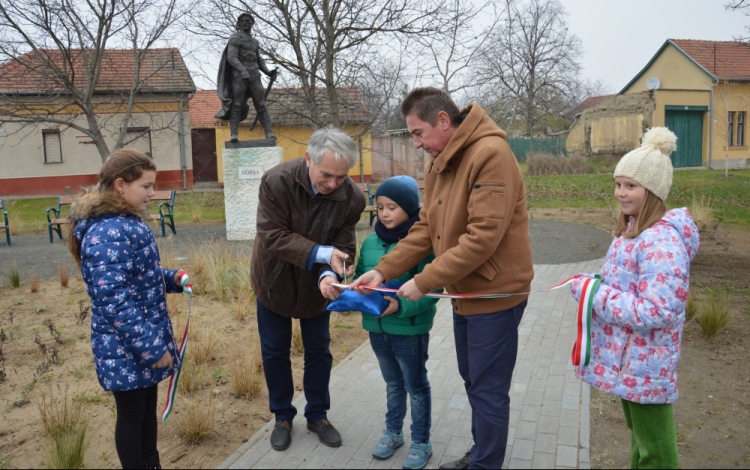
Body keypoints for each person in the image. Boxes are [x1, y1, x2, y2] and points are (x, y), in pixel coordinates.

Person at [352, 87, 534, 469]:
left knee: (487, 389)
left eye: (418, 133)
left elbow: (482, 238)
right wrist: (383, 269)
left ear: (443, 121)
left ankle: (486, 463)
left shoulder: (491, 155)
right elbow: (424, 230)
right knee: (474, 382)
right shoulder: (441, 161)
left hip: (494, 296)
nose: (416, 144)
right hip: (465, 292)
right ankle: (482, 453)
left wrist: (424, 281)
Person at [569, 127, 699, 469]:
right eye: (618, 184)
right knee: (641, 442)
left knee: (656, 452)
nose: (620, 193)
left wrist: (593, 294)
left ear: (653, 191)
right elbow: (628, 287)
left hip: (648, 366)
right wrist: (596, 283)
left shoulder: (660, 242)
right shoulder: (632, 231)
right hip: (632, 364)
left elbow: (656, 311)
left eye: (630, 186)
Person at [66, 149, 189, 469]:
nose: (152, 193)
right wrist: (149, 344)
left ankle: (152, 464)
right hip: (127, 347)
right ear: (120, 185)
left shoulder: (122, 224)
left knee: (146, 413)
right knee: (133, 418)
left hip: (138, 342)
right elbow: (114, 299)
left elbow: (139, 277)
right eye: (146, 186)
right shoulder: (108, 231)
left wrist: (172, 278)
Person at [250, 126, 366, 451]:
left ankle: (318, 415)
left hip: (316, 290)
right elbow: (272, 236)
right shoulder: (277, 181)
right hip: (274, 282)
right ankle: (282, 417)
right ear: (308, 160)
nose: (333, 185)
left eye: (341, 178)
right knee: (275, 352)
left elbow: (343, 247)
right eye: (327, 175)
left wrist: (330, 276)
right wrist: (323, 254)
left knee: (319, 351)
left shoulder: (352, 198)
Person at [351, 176, 439, 469]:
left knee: (416, 387)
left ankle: (421, 441)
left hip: (410, 331)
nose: (385, 213)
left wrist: (400, 305)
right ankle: (393, 432)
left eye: (393, 207)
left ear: (411, 209)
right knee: (392, 384)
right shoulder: (371, 242)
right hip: (377, 329)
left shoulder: (422, 244)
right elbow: (363, 275)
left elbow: (432, 289)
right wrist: (355, 289)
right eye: (381, 206)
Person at [215, 12, 278, 141]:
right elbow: (231, 57)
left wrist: (268, 72)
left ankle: (269, 133)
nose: (245, 23)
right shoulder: (235, 38)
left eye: (248, 21)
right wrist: (243, 70)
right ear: (239, 23)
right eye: (242, 21)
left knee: (261, 104)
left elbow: (258, 60)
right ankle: (234, 134)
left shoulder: (255, 42)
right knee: (237, 104)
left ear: (252, 24)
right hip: (240, 76)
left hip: (255, 75)